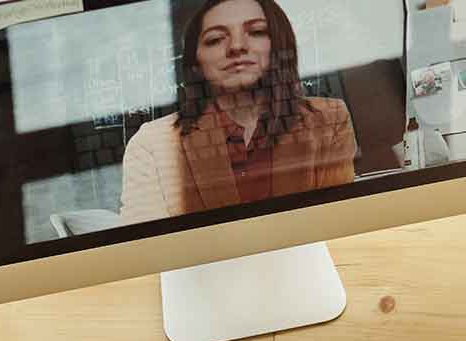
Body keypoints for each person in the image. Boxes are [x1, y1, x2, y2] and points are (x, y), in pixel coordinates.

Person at [119, 0, 357, 224]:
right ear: (196, 62)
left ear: (278, 45)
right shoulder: (151, 142)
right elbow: (146, 249)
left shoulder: (329, 117)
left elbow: (337, 223)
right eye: (215, 39)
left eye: (256, 32)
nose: (236, 46)